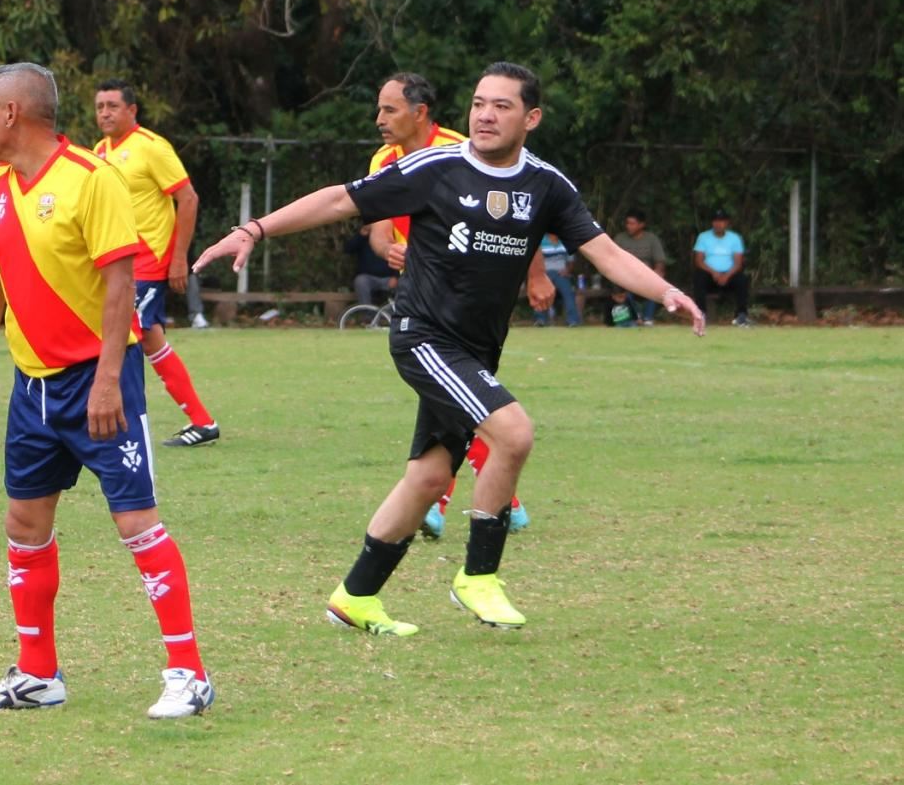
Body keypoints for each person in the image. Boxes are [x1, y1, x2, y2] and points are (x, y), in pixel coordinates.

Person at [195, 62, 705, 634]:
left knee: (430, 476)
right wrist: (254, 229)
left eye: (502, 106)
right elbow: (341, 200)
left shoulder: (547, 186)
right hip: (425, 336)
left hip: (477, 350)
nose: (485, 115)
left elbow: (605, 252)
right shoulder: (435, 168)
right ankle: (479, 576)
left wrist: (665, 292)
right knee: (514, 432)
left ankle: (356, 596)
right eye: (479, 103)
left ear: (530, 118)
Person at [0, 62, 212, 718]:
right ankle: (38, 674)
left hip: (100, 380)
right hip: (31, 389)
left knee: (135, 520)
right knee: (24, 522)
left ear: (13, 113)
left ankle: (188, 672)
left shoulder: (90, 179)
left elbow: (121, 284)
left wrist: (105, 381)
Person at [364, 72, 545, 540]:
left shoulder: (461, 148)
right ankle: (463, 499)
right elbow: (378, 227)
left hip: (469, 300)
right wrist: (390, 250)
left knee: (459, 395)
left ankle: (450, 499)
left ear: (419, 113)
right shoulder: (384, 159)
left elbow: (521, 210)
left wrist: (536, 272)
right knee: (453, 393)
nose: (380, 119)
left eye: (390, 110)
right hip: (425, 298)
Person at [93, 79, 219, 447]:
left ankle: (196, 420)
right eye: (100, 106)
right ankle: (197, 420)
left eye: (112, 106)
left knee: (135, 334)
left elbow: (188, 198)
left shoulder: (151, 147)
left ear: (132, 110)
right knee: (137, 336)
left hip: (148, 260)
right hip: (116, 262)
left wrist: (178, 257)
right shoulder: (99, 151)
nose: (104, 113)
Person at [693, 209, 750, 326]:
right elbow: (699, 261)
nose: (718, 224)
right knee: (699, 277)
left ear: (727, 223)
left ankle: (741, 315)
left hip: (729, 275)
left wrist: (726, 275)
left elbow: (738, 263)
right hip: (710, 274)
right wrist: (714, 273)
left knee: (742, 279)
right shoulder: (703, 237)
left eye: (721, 221)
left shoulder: (735, 238)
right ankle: (701, 314)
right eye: (715, 221)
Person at [613, 210, 667, 325]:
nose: (629, 226)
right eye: (627, 223)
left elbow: (659, 261)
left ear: (641, 225)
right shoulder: (620, 238)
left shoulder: (651, 239)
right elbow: (612, 259)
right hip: (625, 275)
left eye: (632, 223)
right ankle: (636, 316)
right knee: (626, 286)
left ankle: (648, 318)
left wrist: (658, 273)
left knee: (657, 283)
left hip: (646, 275)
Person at [345, 224, 397, 306]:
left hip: (389, 278)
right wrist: (361, 235)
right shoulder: (363, 237)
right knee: (360, 281)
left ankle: (393, 314)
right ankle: (367, 315)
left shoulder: (391, 234)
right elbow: (348, 249)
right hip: (368, 278)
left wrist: (396, 276)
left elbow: (400, 255)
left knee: (404, 283)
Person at [534, 233, 580, 327]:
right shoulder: (541, 240)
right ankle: (540, 319)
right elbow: (536, 259)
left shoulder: (565, 240)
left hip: (561, 273)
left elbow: (571, 259)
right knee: (542, 294)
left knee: (568, 293)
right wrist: (540, 273)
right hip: (545, 272)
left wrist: (567, 270)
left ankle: (573, 320)